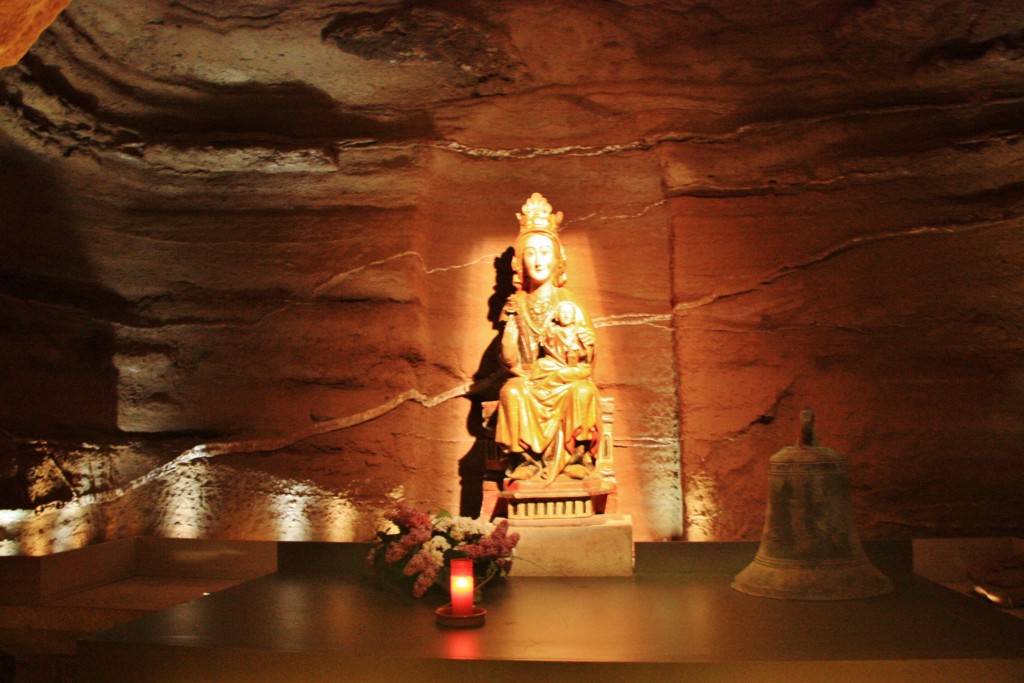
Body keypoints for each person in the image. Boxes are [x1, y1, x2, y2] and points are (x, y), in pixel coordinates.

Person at [494, 193, 601, 482]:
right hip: (530, 381)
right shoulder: (516, 303)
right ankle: (526, 460)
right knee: (511, 391)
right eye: (531, 252)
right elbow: (508, 360)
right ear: (520, 262)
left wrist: (562, 372)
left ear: (557, 259)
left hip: (563, 380)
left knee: (583, 391)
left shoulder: (569, 302)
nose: (538, 260)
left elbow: (586, 360)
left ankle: (577, 458)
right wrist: (512, 321)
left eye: (545, 252)